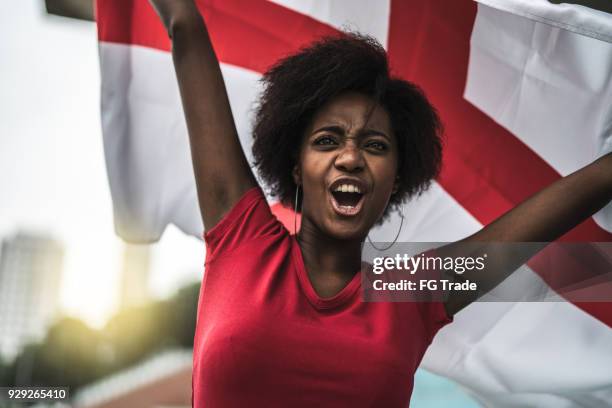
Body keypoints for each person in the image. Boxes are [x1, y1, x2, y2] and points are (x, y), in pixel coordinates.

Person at [148, 1, 612, 406]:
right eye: (328, 140)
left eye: (374, 146)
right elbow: (185, 25)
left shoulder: (413, 292)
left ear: (394, 181)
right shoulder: (241, 236)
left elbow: (586, 188)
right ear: (295, 166)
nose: (350, 157)